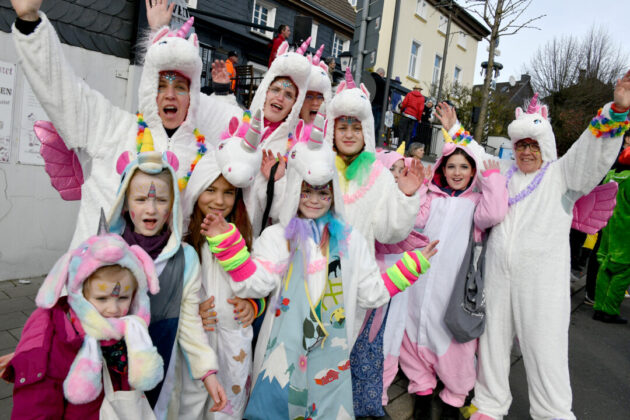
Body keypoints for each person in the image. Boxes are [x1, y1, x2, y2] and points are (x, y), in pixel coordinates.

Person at [198, 118, 439, 419]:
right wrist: (227, 242)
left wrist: (410, 267)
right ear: (296, 189)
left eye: (323, 193)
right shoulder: (277, 237)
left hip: (330, 367)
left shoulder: (351, 242)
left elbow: (371, 294)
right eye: (306, 191)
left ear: (333, 194)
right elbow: (254, 284)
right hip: (280, 361)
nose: (314, 200)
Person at [437, 69, 630, 420]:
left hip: (542, 286)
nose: (526, 151)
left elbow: (590, 154)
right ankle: (490, 404)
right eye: (521, 144)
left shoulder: (562, 175)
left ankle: (553, 412)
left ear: (546, 145)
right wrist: (453, 128)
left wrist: (616, 110)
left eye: (533, 144)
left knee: (545, 349)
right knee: (492, 344)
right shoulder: (504, 173)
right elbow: (478, 157)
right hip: (498, 279)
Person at [10, 0, 240, 248]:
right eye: (161, 86)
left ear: (192, 96)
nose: (170, 95)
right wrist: (30, 25)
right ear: (150, 90)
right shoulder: (113, 129)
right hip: (99, 278)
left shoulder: (203, 156)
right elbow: (62, 91)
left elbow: (244, 141)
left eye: (180, 88)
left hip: (168, 280)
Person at [325, 68, 424, 418]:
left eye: (355, 126)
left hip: (354, 284)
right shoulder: (318, 165)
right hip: (309, 277)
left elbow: (389, 232)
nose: (349, 133)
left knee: (336, 360)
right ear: (332, 128)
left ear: (366, 130)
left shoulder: (378, 175)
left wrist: (407, 197)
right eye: (342, 125)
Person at [107, 140, 227, 417]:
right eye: (141, 199)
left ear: (173, 204)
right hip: (112, 373)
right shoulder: (107, 251)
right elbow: (80, 313)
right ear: (125, 203)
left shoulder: (186, 258)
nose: (151, 209)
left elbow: (189, 322)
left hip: (161, 375)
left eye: (161, 200)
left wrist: (207, 372)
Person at [400, 130, 507, 420]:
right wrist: (420, 187)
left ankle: (454, 397)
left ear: (473, 171)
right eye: (450, 166)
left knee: (453, 341)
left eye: (463, 167)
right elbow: (416, 219)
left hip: (454, 286)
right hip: (421, 282)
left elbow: (495, 213)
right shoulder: (432, 198)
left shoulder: (475, 203)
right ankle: (421, 388)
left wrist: (493, 179)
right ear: (441, 170)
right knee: (414, 328)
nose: (456, 173)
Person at [3, 228, 163, 419]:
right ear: (79, 294)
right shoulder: (52, 343)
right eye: (101, 298)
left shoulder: (131, 331)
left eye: (123, 298)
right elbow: (36, 407)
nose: (113, 309)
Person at [179, 116, 266, 419]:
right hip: (198, 339)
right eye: (211, 190)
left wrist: (255, 304)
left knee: (229, 405)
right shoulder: (185, 239)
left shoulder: (245, 234)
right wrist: (190, 311)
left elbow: (260, 280)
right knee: (194, 403)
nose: (219, 200)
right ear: (197, 189)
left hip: (234, 342)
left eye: (228, 192)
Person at [592, 140, 630, 323]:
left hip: (607, 228)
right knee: (622, 272)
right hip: (625, 232)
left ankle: (598, 306)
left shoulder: (611, 175)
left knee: (604, 267)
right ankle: (610, 310)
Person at [299, 45, 331, 125]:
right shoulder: (283, 132)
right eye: (309, 96)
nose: (315, 103)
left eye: (320, 97)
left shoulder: (333, 135)